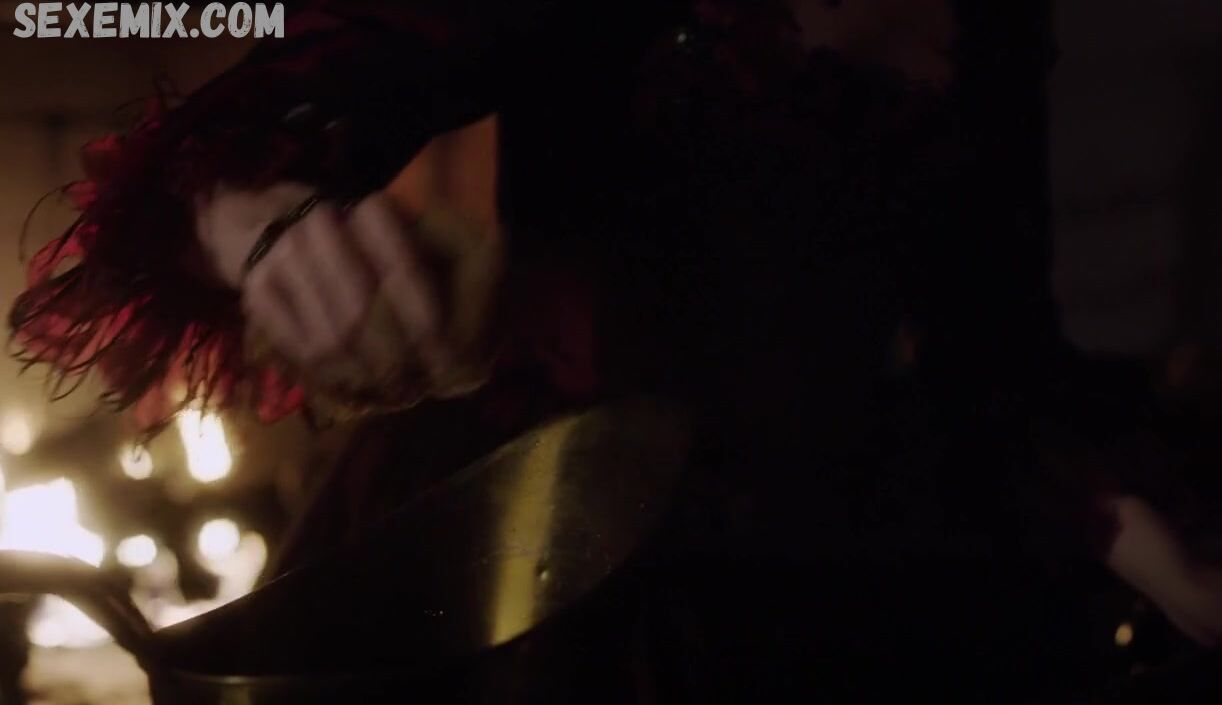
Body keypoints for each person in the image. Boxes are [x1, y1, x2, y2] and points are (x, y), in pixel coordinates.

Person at [8, 0, 1222, 700]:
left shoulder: (1002, 28)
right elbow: (326, 74)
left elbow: (992, 363)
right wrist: (256, 214)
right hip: (555, 560)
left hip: (879, 581)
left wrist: (1133, 534)